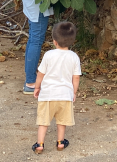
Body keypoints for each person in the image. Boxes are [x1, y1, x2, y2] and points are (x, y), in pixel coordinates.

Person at [31, 22, 81, 154]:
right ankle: (60, 143)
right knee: (61, 122)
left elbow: (41, 73)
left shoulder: (48, 55)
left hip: (47, 95)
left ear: (54, 41)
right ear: (72, 41)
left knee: (43, 122)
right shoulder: (74, 57)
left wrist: (37, 87)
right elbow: (76, 77)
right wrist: (74, 92)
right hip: (65, 95)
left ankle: (40, 145)